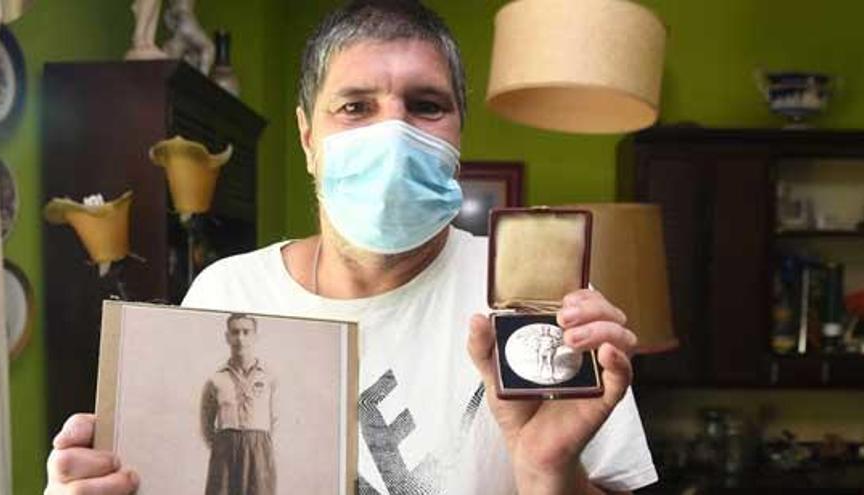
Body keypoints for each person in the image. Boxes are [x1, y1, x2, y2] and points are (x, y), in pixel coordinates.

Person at [45, 1, 657, 494]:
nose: (392, 133)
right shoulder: (227, 295)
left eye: (425, 106)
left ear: (457, 135)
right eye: (355, 107)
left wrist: (549, 474)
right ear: (308, 138)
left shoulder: (541, 310)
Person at [200, 314, 277, 495]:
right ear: (227, 337)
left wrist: (257, 443)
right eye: (235, 332)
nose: (240, 338)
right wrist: (224, 444)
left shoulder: (269, 377)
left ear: (255, 336)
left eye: (246, 332)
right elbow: (206, 423)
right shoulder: (216, 379)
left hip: (258, 449)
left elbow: (276, 418)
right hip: (226, 449)